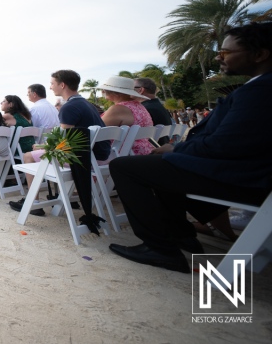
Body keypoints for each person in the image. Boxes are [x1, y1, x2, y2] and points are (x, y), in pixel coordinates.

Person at [108, 21, 272, 272]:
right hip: (249, 171)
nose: (219, 57)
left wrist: (177, 149)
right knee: (161, 166)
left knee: (123, 167)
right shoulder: (258, 87)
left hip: (245, 178)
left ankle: (160, 248)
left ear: (260, 54)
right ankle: (182, 235)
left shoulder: (260, 90)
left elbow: (225, 144)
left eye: (226, 52)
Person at [9, 70, 107, 216]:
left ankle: (34, 203)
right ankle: (64, 196)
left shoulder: (69, 107)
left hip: (84, 160)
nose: (50, 87)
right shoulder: (87, 104)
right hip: (100, 155)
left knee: (28, 156)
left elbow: (64, 143)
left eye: (52, 83)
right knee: (39, 152)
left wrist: (43, 146)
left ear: (62, 85)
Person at [98, 76, 154, 156]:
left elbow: (98, 133)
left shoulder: (119, 109)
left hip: (122, 155)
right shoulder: (139, 106)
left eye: (105, 90)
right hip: (142, 152)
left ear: (116, 93)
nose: (103, 91)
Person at [133, 78, 173, 144]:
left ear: (141, 90)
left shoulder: (143, 109)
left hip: (152, 150)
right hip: (162, 146)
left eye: (131, 88)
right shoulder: (158, 106)